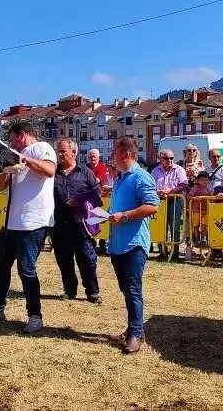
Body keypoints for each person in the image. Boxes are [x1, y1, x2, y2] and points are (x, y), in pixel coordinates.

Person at [0, 121, 57, 334]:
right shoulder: (14, 155)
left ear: (23, 135)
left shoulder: (42, 148)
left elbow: (49, 170)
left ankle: (35, 315)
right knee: (0, 264)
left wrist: (26, 160)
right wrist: (4, 168)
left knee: (26, 269)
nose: (11, 144)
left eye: (12, 139)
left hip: (33, 222)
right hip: (11, 223)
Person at [105, 136, 159, 354]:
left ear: (125, 154)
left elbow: (153, 206)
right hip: (118, 244)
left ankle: (135, 334)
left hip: (134, 244)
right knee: (127, 289)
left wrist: (124, 216)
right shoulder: (119, 179)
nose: (112, 157)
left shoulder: (141, 177)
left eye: (114, 153)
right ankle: (133, 330)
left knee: (133, 290)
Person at [50, 137, 103, 303]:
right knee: (64, 260)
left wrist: (79, 201)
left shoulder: (85, 172)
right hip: (58, 224)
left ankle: (92, 292)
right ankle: (70, 290)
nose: (59, 154)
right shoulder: (53, 173)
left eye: (62, 151)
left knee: (86, 259)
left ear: (74, 152)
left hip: (80, 225)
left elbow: (97, 195)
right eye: (58, 151)